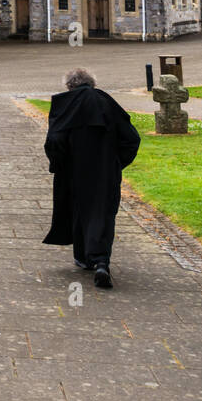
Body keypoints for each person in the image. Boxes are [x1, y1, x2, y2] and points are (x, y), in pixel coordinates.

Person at [42, 68, 141, 289]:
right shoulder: (107, 103)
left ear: (69, 86)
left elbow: (54, 141)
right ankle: (101, 261)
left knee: (78, 210)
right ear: (92, 83)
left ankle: (83, 257)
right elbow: (132, 138)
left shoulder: (65, 105)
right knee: (103, 213)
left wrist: (59, 162)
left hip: (74, 170)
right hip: (105, 170)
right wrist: (117, 163)